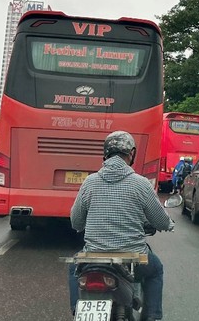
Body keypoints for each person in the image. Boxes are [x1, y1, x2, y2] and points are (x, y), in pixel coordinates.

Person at [69, 131, 174, 321]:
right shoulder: (141, 184)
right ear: (131, 154)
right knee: (156, 270)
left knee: (73, 268)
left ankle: (78, 311)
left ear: (105, 153)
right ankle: (151, 317)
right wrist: (169, 224)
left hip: (94, 256)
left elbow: (76, 221)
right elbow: (160, 221)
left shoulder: (90, 182)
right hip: (133, 257)